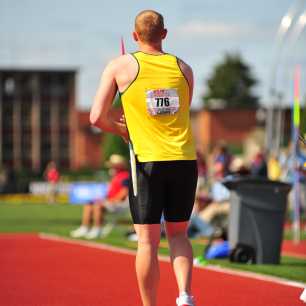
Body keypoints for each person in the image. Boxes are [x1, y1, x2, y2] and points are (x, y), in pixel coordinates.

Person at [90, 10, 197, 306]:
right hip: (184, 159)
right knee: (179, 235)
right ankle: (185, 295)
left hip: (146, 161)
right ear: (164, 34)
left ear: (135, 36)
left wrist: (123, 130)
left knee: (148, 242)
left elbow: (96, 117)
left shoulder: (120, 66)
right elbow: (179, 113)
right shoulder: (184, 68)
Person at [70, 154, 129, 239]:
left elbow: (124, 193)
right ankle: (85, 227)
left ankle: (97, 229)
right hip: (112, 202)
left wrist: (110, 201)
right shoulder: (116, 176)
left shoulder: (125, 176)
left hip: (120, 204)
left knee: (98, 206)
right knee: (89, 204)